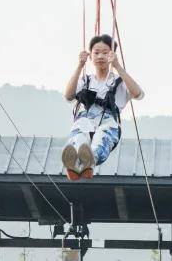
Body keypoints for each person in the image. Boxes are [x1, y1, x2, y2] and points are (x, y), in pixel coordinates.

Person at [61, 34, 144, 180]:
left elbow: (137, 94)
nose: (100, 56)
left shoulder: (118, 82)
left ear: (112, 55)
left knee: (102, 137)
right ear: (90, 56)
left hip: (107, 122)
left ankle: (89, 162)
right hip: (85, 119)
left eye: (105, 53)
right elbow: (68, 96)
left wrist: (118, 66)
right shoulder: (85, 80)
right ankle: (74, 164)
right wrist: (79, 66)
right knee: (79, 135)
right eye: (96, 52)